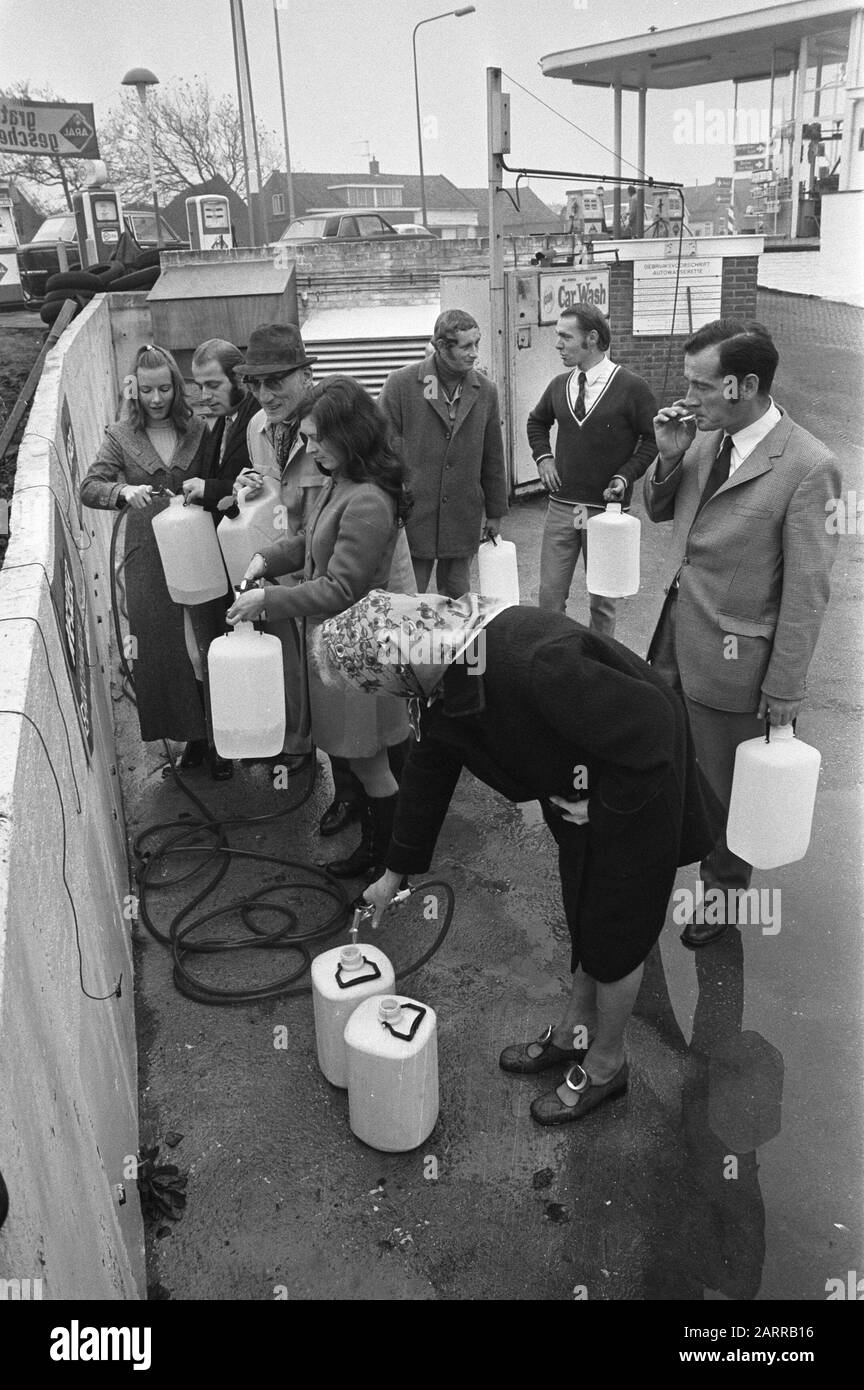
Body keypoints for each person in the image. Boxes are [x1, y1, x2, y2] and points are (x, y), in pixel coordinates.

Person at [312, 592, 719, 1126]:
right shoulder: (437, 668)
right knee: (583, 910)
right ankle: (577, 1031)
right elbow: (429, 771)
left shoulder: (530, 663)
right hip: (580, 792)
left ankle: (605, 1063)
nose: (376, 695)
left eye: (371, 684)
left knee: (618, 937)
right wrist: (394, 872)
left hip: (637, 790)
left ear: (392, 661)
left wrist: (602, 804)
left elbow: (652, 726)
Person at [643, 319, 841, 947]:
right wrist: (669, 457)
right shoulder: (704, 435)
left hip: (736, 660)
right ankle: (658, 864)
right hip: (670, 634)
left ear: (745, 384)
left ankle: (723, 893)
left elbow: (808, 589)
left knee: (730, 787)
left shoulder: (809, 466)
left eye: (702, 386)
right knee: (665, 761)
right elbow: (658, 510)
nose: (689, 396)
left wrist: (785, 688)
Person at [226, 377, 411, 881]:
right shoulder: (341, 481)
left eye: (314, 439)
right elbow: (311, 540)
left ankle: (388, 863)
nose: (308, 449)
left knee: (371, 765)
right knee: (357, 759)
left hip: (359, 655)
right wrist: (266, 556)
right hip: (339, 651)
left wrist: (269, 600)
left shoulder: (368, 499)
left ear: (347, 435)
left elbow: (341, 589)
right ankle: (380, 853)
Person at [79, 343, 213, 761]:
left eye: (165, 390)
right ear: (134, 390)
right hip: (148, 556)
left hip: (196, 550)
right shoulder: (120, 435)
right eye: (147, 391)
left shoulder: (199, 429)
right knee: (163, 648)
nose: (156, 400)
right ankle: (191, 736)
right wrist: (122, 491)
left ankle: (215, 737)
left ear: (176, 386)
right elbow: (89, 488)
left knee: (203, 642)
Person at [527, 305, 657, 635]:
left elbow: (652, 439)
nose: (558, 344)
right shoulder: (559, 385)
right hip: (562, 507)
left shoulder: (632, 387)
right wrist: (544, 458)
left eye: (565, 336)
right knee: (550, 598)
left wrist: (625, 475)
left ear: (592, 338)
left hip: (607, 512)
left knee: (603, 602)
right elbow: (537, 421)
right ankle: (553, 662)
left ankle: (601, 665)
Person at [378, 309, 508, 599]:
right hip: (413, 517)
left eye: (477, 343)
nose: (475, 353)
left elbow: (493, 456)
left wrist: (496, 511)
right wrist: (389, 504)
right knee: (409, 599)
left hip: (462, 514)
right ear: (440, 346)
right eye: (466, 346)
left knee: (458, 600)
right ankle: (413, 647)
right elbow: (382, 452)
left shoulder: (485, 391)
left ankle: (455, 647)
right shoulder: (401, 385)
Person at [183, 338, 259, 513]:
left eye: (213, 385)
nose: (204, 396)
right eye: (200, 386)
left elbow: (264, 485)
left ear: (240, 378)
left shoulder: (261, 418)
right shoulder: (225, 419)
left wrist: (208, 489)